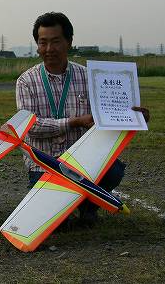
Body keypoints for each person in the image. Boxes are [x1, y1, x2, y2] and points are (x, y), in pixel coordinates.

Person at [12, 12, 149, 225]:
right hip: (45, 165)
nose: (49, 49)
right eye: (43, 42)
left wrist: (134, 116)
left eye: (56, 41)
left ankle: (88, 207)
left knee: (113, 170)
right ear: (37, 45)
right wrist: (74, 122)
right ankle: (66, 210)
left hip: (82, 161)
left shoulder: (89, 77)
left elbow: (107, 113)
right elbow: (31, 127)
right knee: (58, 226)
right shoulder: (26, 81)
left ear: (69, 42)